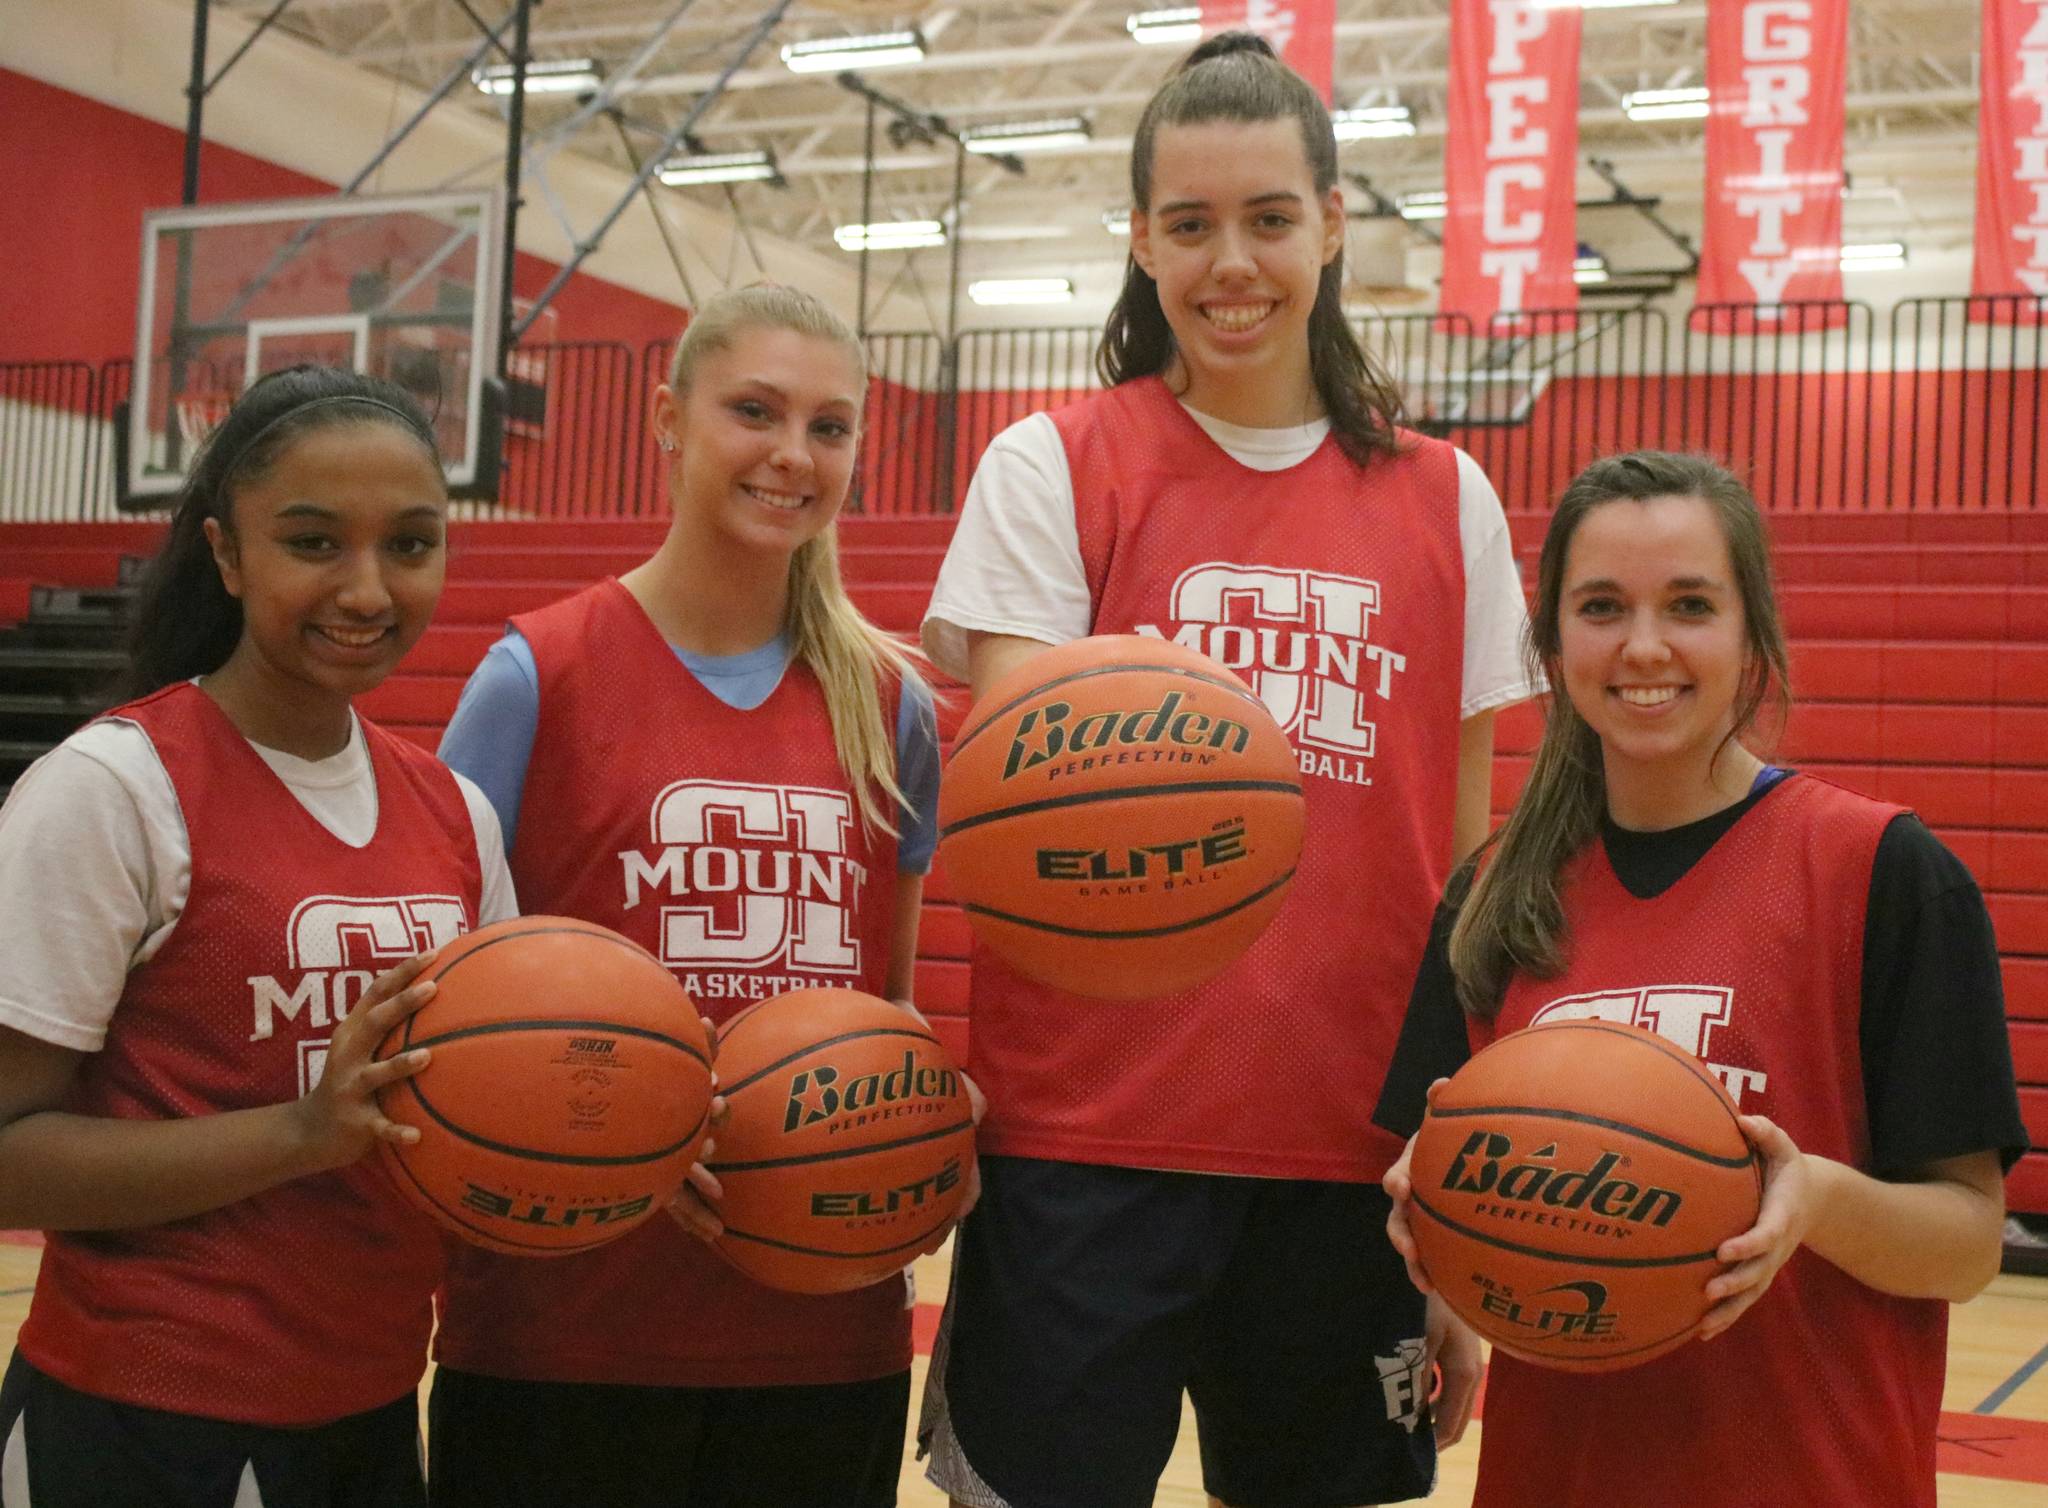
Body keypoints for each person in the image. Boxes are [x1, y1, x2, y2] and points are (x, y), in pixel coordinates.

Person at [915, 32, 1538, 1508]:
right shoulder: (1050, 466)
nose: (1231, 263)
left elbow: (1462, 877)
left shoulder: (1448, 498)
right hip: (1085, 1143)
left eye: (1268, 217)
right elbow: (1019, 822)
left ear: (1333, 222)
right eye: (1189, 225)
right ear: (1140, 240)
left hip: (1352, 1157)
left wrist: (1458, 1205)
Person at [1375, 450, 2028, 1508]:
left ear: (1750, 632)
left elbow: (1964, 1244)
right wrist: (1438, 1221)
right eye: (1600, 607)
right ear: (1551, 646)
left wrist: (1813, 1198)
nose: (1643, 646)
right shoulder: (1492, 896)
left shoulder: (1884, 870)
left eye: (1688, 604)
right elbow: (1429, 1171)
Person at [428, 283, 949, 1508]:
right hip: (562, 1326)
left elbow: (890, 1009)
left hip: (821, 1331)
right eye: (753, 410)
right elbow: (438, 1018)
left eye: (828, 426)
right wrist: (610, 1141)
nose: (792, 452)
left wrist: (925, 1122)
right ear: (667, 419)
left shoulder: (890, 705)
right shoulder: (534, 675)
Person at [0, 365, 518, 1506]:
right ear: (227, 555)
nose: (368, 589)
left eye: (411, 544)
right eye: (313, 542)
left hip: (369, 1410)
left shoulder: (455, 814)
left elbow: (485, 1119)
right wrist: (299, 1133)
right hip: (142, 1421)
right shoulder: (113, 789)